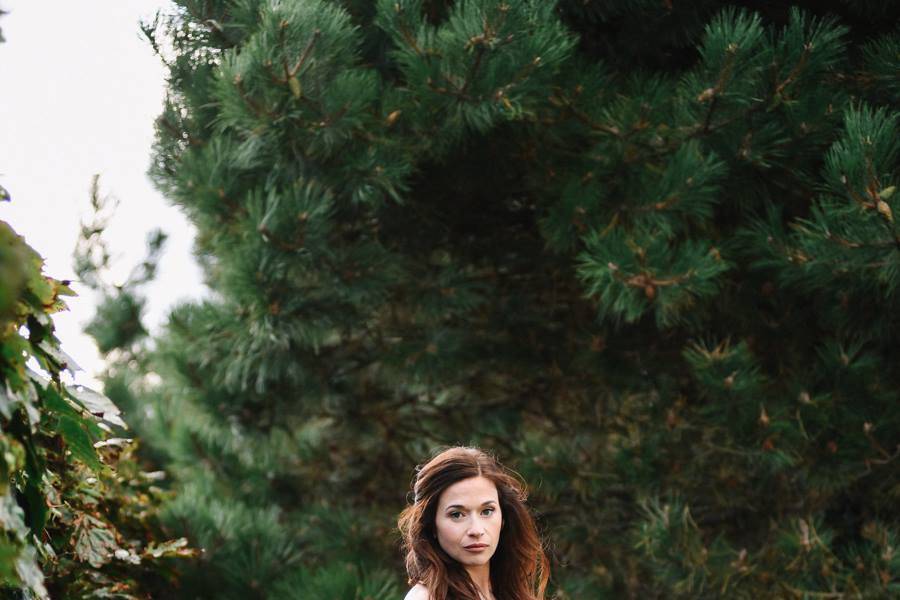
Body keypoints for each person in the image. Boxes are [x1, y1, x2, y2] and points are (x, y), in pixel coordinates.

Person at [398, 446, 549, 600]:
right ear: (431, 524)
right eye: (457, 515)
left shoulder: (511, 593)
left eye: (487, 511)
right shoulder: (427, 597)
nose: (476, 530)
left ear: (503, 518)